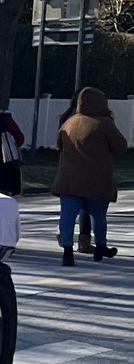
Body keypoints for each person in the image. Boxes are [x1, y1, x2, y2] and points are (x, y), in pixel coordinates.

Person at [52, 86, 127, 266]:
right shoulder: (104, 123)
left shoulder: (68, 123)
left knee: (67, 216)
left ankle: (68, 252)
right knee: (98, 215)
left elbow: (58, 145)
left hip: (68, 180)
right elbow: (120, 145)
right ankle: (100, 247)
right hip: (96, 179)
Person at [60, 96, 95, 254]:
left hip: (66, 168)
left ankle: (67, 242)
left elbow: (58, 143)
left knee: (68, 209)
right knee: (86, 207)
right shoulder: (92, 120)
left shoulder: (66, 119)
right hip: (88, 168)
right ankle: (84, 240)